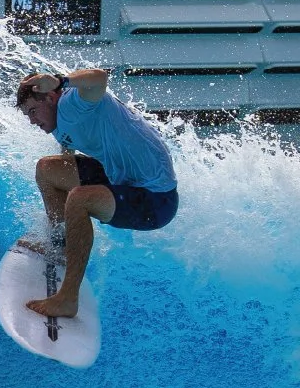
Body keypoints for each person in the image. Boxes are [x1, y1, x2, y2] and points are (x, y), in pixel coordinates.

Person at [14, 68, 178, 318]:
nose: (32, 121)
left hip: (155, 198)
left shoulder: (72, 102)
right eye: (27, 115)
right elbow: (68, 147)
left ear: (50, 97)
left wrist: (60, 81)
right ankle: (60, 245)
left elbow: (100, 79)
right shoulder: (57, 123)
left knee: (79, 198)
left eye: (33, 112)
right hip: (122, 177)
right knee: (47, 169)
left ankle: (68, 299)